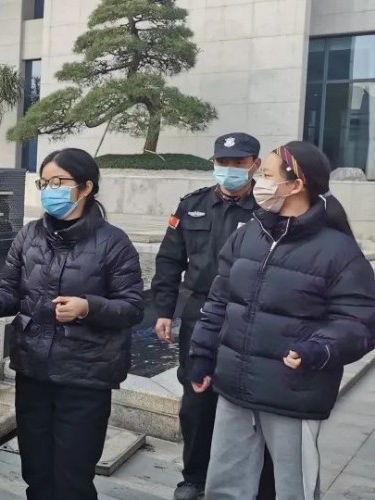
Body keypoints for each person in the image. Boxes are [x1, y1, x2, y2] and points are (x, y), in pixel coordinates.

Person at [188, 141, 375, 500]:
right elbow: (219, 301)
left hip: (292, 390)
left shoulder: (338, 251)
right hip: (235, 387)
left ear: (296, 184)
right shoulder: (248, 234)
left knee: (293, 489)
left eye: (268, 174)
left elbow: (359, 321)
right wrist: (202, 355)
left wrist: (318, 349)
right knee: (224, 486)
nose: (259, 182)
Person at [0, 148, 144, 500]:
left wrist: (89, 307)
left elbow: (132, 308)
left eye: (59, 182)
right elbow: (9, 293)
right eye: (44, 183)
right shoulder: (29, 236)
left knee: (73, 478)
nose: (49, 190)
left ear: (86, 187)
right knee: (36, 471)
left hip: (85, 377)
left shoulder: (113, 243)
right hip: (33, 372)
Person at [150, 133, 277, 500]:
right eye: (223, 162)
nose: (229, 169)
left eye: (238, 163)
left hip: (250, 313)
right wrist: (163, 311)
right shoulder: (192, 205)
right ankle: (194, 477)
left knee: (252, 399)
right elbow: (169, 260)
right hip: (200, 311)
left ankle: (257, 481)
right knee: (196, 400)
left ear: (254, 165)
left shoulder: (269, 209)